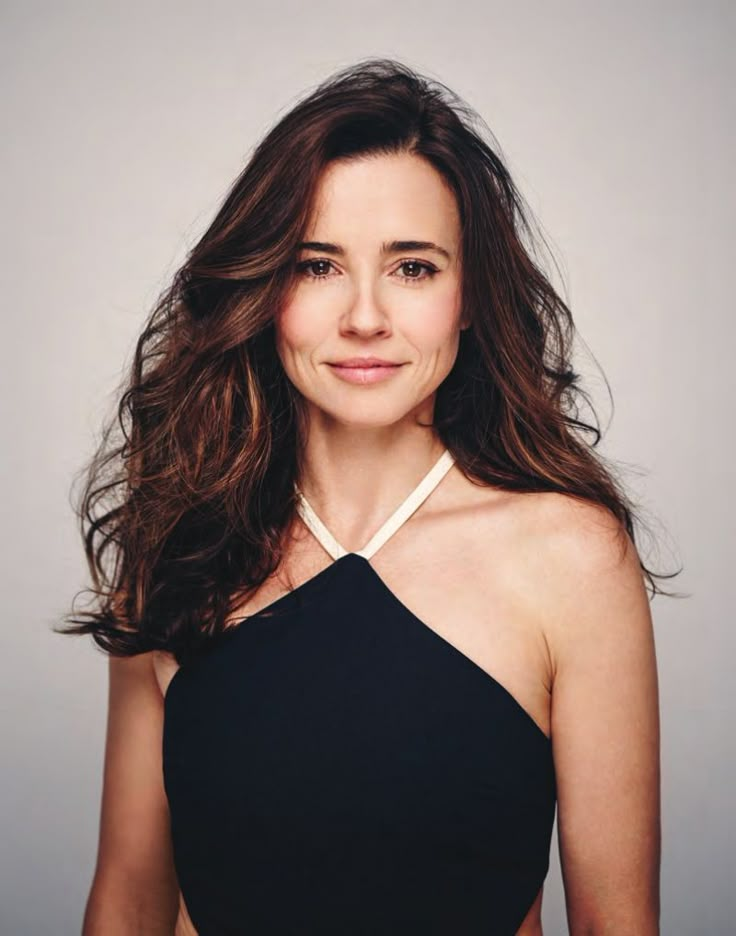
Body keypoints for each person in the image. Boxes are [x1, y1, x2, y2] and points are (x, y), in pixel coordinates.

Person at [62, 58, 668, 935]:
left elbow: (620, 925)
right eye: (317, 266)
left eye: (413, 268)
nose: (365, 316)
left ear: (469, 297)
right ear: (264, 290)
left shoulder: (570, 555)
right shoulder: (179, 547)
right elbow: (126, 903)